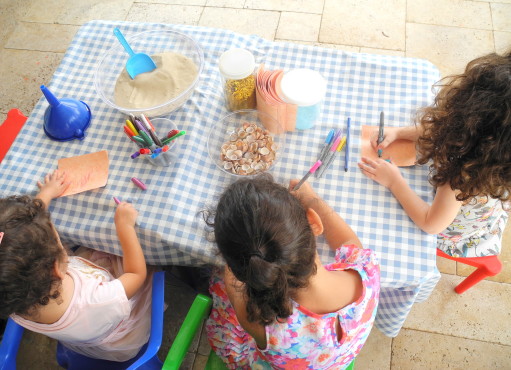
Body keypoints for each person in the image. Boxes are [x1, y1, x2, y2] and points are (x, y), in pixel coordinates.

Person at [204, 174, 380, 369]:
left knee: (218, 284)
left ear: (243, 272)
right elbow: (348, 241)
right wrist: (312, 199)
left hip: (268, 360)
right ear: (314, 221)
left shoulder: (259, 322)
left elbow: (232, 283)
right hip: (335, 362)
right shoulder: (367, 271)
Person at [358, 50, 511, 258]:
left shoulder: (461, 178)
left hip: (458, 232)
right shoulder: (484, 145)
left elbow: (430, 224)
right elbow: (445, 129)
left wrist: (395, 181)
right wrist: (399, 132)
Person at [0, 169, 153, 362]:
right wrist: (125, 228)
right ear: (57, 268)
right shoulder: (98, 300)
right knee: (150, 264)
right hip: (121, 331)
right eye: (55, 237)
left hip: (82, 330)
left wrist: (46, 194)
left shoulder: (12, 296)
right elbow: (136, 274)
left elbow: (24, 233)